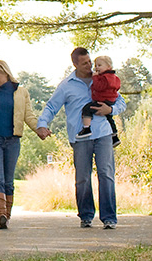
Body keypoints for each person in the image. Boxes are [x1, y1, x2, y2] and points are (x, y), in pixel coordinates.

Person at [36, 47, 126, 229]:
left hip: (103, 133)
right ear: (75, 64)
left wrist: (111, 110)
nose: (89, 66)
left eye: (90, 62)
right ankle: (86, 215)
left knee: (106, 174)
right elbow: (52, 107)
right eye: (84, 63)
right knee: (83, 177)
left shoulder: (102, 79)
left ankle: (109, 218)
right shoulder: (66, 85)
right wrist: (42, 124)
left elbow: (120, 102)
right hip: (80, 137)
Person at [0, 60, 39, 229]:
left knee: (9, 181)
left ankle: (7, 215)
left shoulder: (21, 92)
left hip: (12, 140)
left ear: (6, 73)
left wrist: (39, 129)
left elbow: (29, 116)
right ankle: (1, 215)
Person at [76, 55, 121, 147]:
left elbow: (99, 87)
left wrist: (95, 78)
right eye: (95, 65)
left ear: (108, 67)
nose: (96, 68)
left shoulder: (105, 77)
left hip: (103, 100)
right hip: (110, 100)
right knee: (109, 118)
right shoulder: (114, 77)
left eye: (99, 65)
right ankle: (115, 136)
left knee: (87, 109)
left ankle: (86, 128)